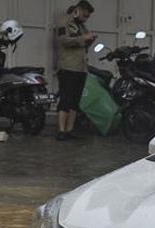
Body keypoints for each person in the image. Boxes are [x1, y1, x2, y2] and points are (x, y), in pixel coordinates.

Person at [54, 1, 96, 141]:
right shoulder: (64, 22)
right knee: (65, 100)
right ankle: (61, 130)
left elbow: (83, 44)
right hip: (68, 67)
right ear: (77, 10)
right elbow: (64, 40)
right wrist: (82, 38)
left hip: (80, 68)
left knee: (74, 101)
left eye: (87, 17)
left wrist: (90, 40)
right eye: (84, 15)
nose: (85, 19)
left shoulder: (82, 26)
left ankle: (69, 130)